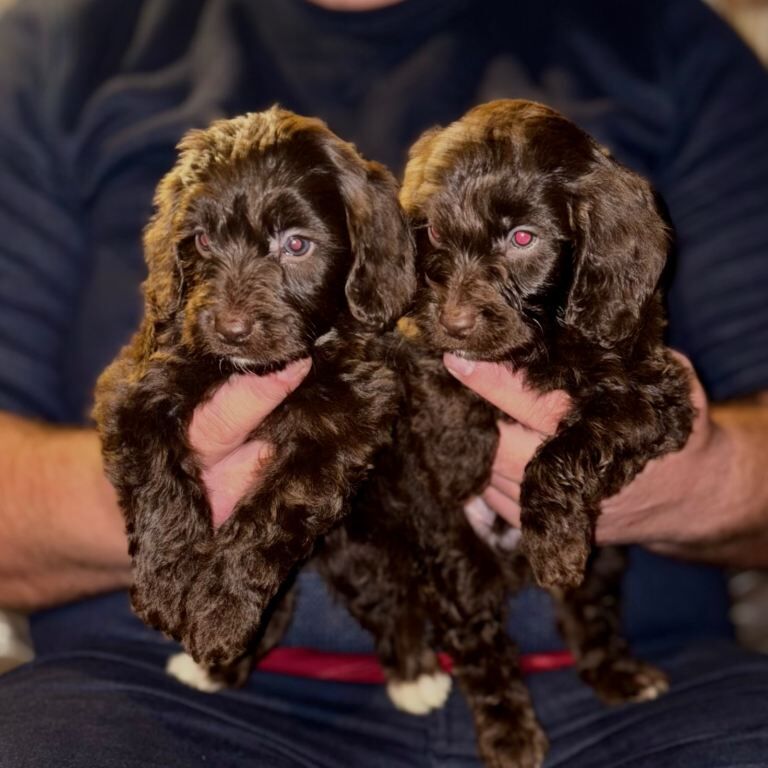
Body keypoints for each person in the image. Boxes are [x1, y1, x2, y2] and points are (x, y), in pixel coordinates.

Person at [1, 0, 767, 765]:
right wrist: (178, 502)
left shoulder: (668, 38)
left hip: (633, 683)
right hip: (165, 690)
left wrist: (706, 482)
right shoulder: (58, 40)